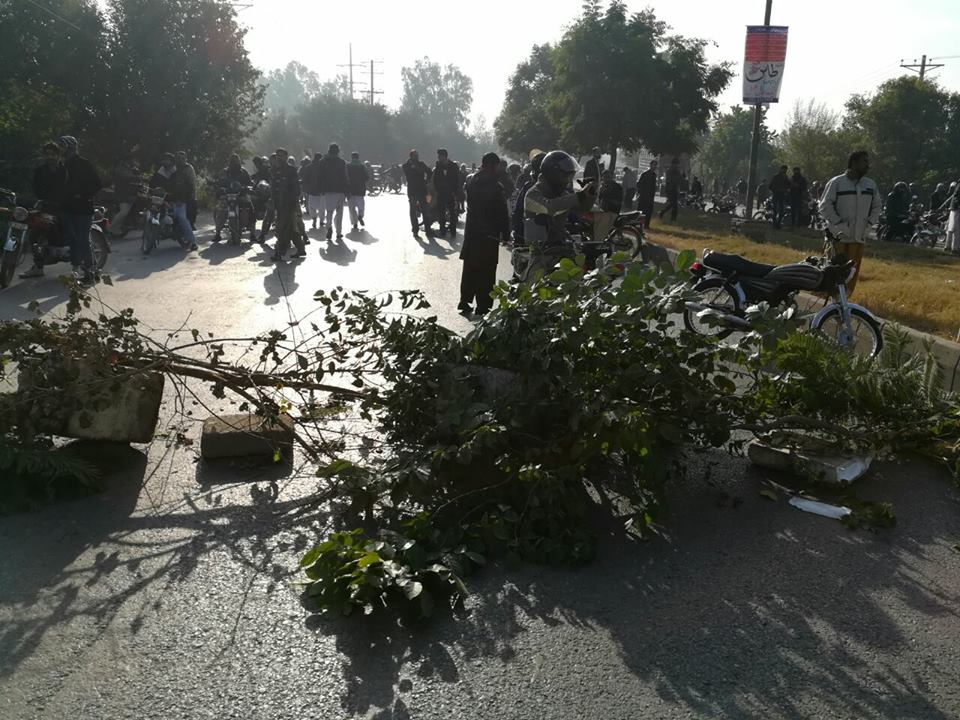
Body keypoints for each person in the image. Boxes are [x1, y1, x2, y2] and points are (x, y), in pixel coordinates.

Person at [523, 150, 596, 276]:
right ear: (553, 174)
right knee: (535, 287)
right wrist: (580, 195)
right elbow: (549, 208)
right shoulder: (532, 194)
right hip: (540, 253)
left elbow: (580, 210)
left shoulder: (562, 193)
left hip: (561, 247)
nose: (568, 181)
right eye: (565, 176)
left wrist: (590, 195)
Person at [819, 150, 881, 295]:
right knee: (833, 274)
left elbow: (877, 206)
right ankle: (829, 305)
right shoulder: (837, 182)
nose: (867, 165)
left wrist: (869, 224)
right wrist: (839, 223)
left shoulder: (870, 185)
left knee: (851, 275)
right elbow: (824, 206)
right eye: (864, 161)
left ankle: (846, 305)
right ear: (854, 163)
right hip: (839, 239)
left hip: (858, 238)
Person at [458, 152, 510, 316]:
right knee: (486, 270)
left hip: (472, 231)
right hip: (489, 233)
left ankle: (465, 300)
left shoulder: (470, 180)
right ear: (492, 165)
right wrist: (506, 234)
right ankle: (483, 304)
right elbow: (502, 213)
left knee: (470, 267)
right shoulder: (496, 186)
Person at [49, 136, 104, 284]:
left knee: (82, 240)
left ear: (70, 147)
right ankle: (75, 268)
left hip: (82, 208)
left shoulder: (83, 164)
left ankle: (91, 272)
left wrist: (83, 195)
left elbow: (97, 184)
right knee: (70, 238)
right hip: (66, 208)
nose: (60, 150)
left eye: (63, 147)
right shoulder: (61, 165)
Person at [20, 142, 66, 279]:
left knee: (60, 235)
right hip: (44, 207)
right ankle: (38, 266)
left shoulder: (65, 170)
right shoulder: (40, 170)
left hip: (62, 207)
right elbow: (35, 187)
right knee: (35, 234)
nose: (50, 157)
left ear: (58, 155)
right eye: (47, 154)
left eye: (53, 154)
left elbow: (69, 188)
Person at [150, 152, 197, 252]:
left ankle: (193, 242)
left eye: (182, 159)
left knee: (182, 218)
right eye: (178, 159)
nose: (166, 162)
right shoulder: (166, 173)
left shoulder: (184, 172)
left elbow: (189, 188)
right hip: (166, 200)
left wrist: (182, 199)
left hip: (179, 201)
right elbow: (157, 184)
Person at [271, 148, 306, 260]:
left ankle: (280, 252)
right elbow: (274, 187)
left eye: (281, 156)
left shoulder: (291, 170)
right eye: (277, 156)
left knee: (281, 228)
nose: (279, 158)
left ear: (286, 157)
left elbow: (296, 188)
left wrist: (293, 202)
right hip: (279, 203)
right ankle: (300, 249)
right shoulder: (275, 170)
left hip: (288, 203)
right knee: (290, 228)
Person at [213, 153, 251, 242]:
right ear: (229, 161)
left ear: (239, 161)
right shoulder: (224, 172)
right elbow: (219, 182)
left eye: (236, 160)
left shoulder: (243, 172)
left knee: (250, 208)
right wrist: (219, 188)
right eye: (232, 160)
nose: (234, 162)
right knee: (221, 210)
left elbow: (249, 183)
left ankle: (252, 233)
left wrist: (247, 187)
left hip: (241, 196)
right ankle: (217, 233)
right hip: (227, 196)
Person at [511, 151, 546, 246]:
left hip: (558, 238)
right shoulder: (529, 188)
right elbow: (518, 213)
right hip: (535, 239)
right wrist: (518, 236)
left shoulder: (561, 189)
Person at [317, 143, 349, 241]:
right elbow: (344, 177)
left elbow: (320, 176)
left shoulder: (323, 161)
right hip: (340, 190)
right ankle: (339, 232)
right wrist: (347, 190)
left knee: (329, 211)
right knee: (339, 212)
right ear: (338, 151)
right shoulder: (342, 162)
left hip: (328, 190)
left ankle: (328, 226)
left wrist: (320, 189)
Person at [110, 150, 141, 237]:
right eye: (133, 160)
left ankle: (121, 227)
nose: (134, 161)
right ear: (128, 160)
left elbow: (138, 178)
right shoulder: (120, 167)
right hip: (122, 193)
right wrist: (136, 177)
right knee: (124, 212)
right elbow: (126, 176)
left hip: (131, 193)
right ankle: (111, 227)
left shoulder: (132, 168)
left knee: (129, 211)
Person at [402, 149, 433, 238]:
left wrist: (427, 181)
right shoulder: (406, 166)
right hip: (412, 191)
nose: (417, 157)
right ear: (411, 156)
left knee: (425, 211)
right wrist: (416, 168)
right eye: (415, 155)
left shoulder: (421, 164)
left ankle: (428, 230)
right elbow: (409, 174)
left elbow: (429, 172)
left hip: (422, 190)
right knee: (413, 211)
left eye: (417, 155)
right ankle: (415, 230)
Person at [432, 148, 459, 237]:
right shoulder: (438, 166)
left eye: (440, 156)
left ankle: (453, 231)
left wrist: (455, 192)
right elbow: (435, 180)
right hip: (441, 193)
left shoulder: (453, 166)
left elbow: (456, 180)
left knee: (452, 212)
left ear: (444, 156)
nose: (438, 157)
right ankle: (442, 231)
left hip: (450, 193)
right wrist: (438, 189)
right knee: (441, 213)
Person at [346, 151, 369, 232]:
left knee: (351, 208)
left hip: (350, 190)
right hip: (360, 189)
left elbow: (345, 177)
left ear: (351, 157)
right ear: (358, 157)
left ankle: (355, 222)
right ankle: (360, 216)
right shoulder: (362, 166)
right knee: (361, 206)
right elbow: (367, 177)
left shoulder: (347, 166)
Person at [175, 151, 198, 230]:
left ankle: (191, 223)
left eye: (182, 158)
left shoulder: (189, 168)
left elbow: (192, 181)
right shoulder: (175, 167)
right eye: (178, 158)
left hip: (188, 192)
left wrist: (192, 193)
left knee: (192, 206)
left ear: (185, 159)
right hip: (176, 193)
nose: (180, 160)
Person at [301, 152, 324, 230]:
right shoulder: (323, 167)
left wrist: (306, 188)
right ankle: (321, 220)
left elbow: (305, 178)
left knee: (311, 206)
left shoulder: (309, 167)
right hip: (321, 191)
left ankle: (314, 218)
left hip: (311, 191)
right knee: (321, 207)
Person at [658, 158, 682, 222]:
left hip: (673, 188)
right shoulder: (671, 171)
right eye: (676, 164)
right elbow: (674, 180)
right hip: (671, 189)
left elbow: (679, 179)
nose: (677, 166)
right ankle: (666, 214)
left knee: (674, 204)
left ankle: (671, 218)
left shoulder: (674, 171)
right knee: (673, 204)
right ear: (674, 164)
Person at [637, 159, 658, 228]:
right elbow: (640, 184)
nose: (654, 167)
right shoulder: (645, 174)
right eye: (653, 165)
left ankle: (646, 225)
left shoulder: (654, 175)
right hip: (644, 195)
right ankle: (640, 224)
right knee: (642, 211)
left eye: (655, 165)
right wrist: (640, 192)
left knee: (648, 212)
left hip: (650, 196)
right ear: (650, 165)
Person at [942, 182, 960, 254]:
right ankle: (954, 249)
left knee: (951, 229)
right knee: (956, 229)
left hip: (954, 208)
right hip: (957, 209)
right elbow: (957, 196)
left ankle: (948, 247)